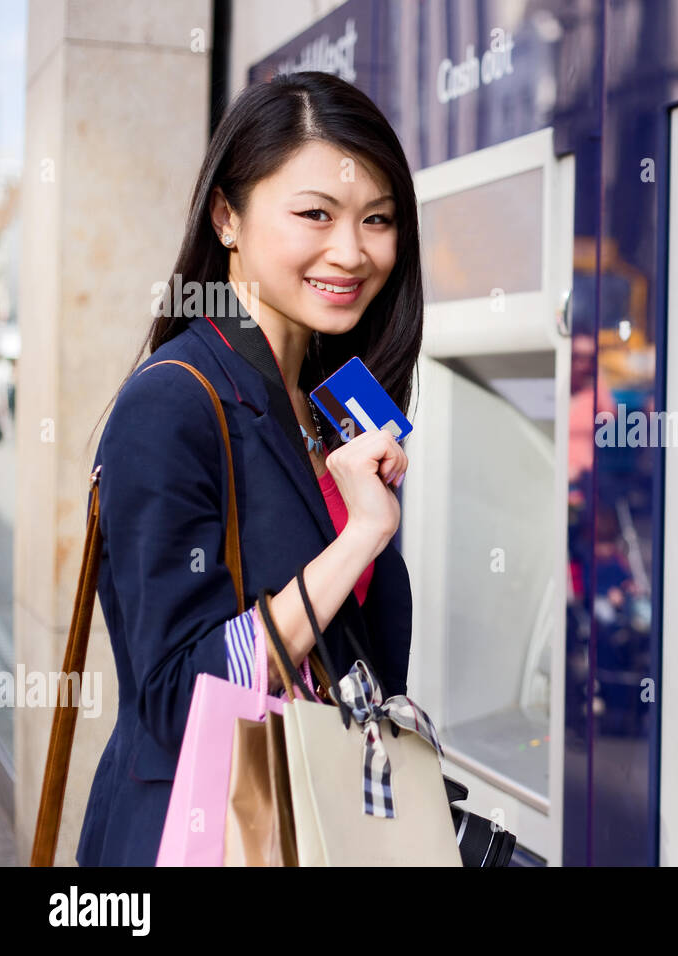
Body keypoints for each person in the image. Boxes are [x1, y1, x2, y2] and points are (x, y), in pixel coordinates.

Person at [75, 71, 424, 866]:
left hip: (321, 824)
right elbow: (175, 699)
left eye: (377, 219)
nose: (352, 251)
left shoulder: (324, 411)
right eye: (315, 214)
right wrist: (359, 536)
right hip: (205, 837)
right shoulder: (173, 404)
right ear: (227, 216)